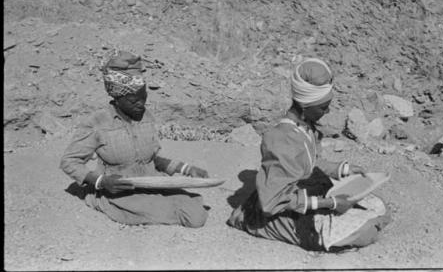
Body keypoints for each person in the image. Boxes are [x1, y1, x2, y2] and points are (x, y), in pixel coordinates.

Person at [227, 57, 391, 251]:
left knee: (377, 205)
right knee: (367, 231)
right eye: (323, 107)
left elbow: (310, 163)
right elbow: (272, 202)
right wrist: (330, 203)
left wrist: (343, 169)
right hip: (276, 211)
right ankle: (250, 219)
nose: (328, 110)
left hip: (300, 195)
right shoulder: (281, 140)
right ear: (305, 107)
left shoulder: (306, 128)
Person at [60, 50, 209, 227]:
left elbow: (151, 159)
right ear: (118, 97)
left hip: (152, 181)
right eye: (133, 100)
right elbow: (69, 161)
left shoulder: (146, 116)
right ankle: (97, 198)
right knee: (175, 214)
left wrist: (186, 168)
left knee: (195, 213)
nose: (141, 104)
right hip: (119, 189)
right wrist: (100, 182)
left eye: (143, 97)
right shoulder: (97, 122)